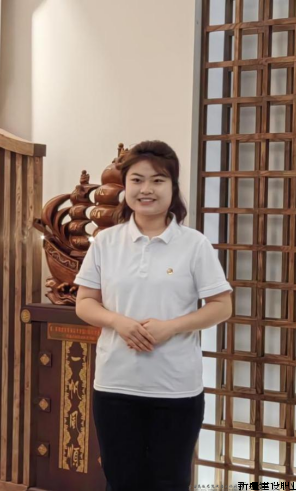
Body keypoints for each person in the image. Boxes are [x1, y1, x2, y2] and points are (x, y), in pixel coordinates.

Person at [75, 141, 233, 491]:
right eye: (137, 180)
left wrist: (170, 328)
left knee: (170, 482)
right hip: (115, 385)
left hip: (176, 388)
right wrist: (118, 322)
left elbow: (222, 306)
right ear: (125, 186)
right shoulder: (105, 242)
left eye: (158, 180)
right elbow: (84, 303)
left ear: (173, 187)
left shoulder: (194, 244)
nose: (146, 189)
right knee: (121, 482)